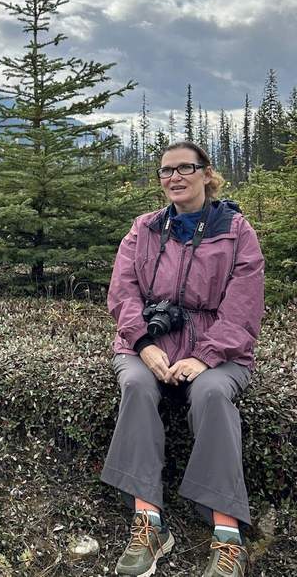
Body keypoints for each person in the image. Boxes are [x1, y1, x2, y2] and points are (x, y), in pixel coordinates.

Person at [102, 142, 264, 577]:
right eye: (165, 170)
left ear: (207, 174)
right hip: (149, 342)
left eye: (184, 168)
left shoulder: (237, 231)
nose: (174, 177)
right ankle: (148, 522)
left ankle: (228, 536)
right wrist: (142, 344)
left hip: (220, 348)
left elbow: (244, 308)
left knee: (211, 394)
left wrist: (206, 357)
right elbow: (123, 291)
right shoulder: (144, 228)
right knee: (136, 385)